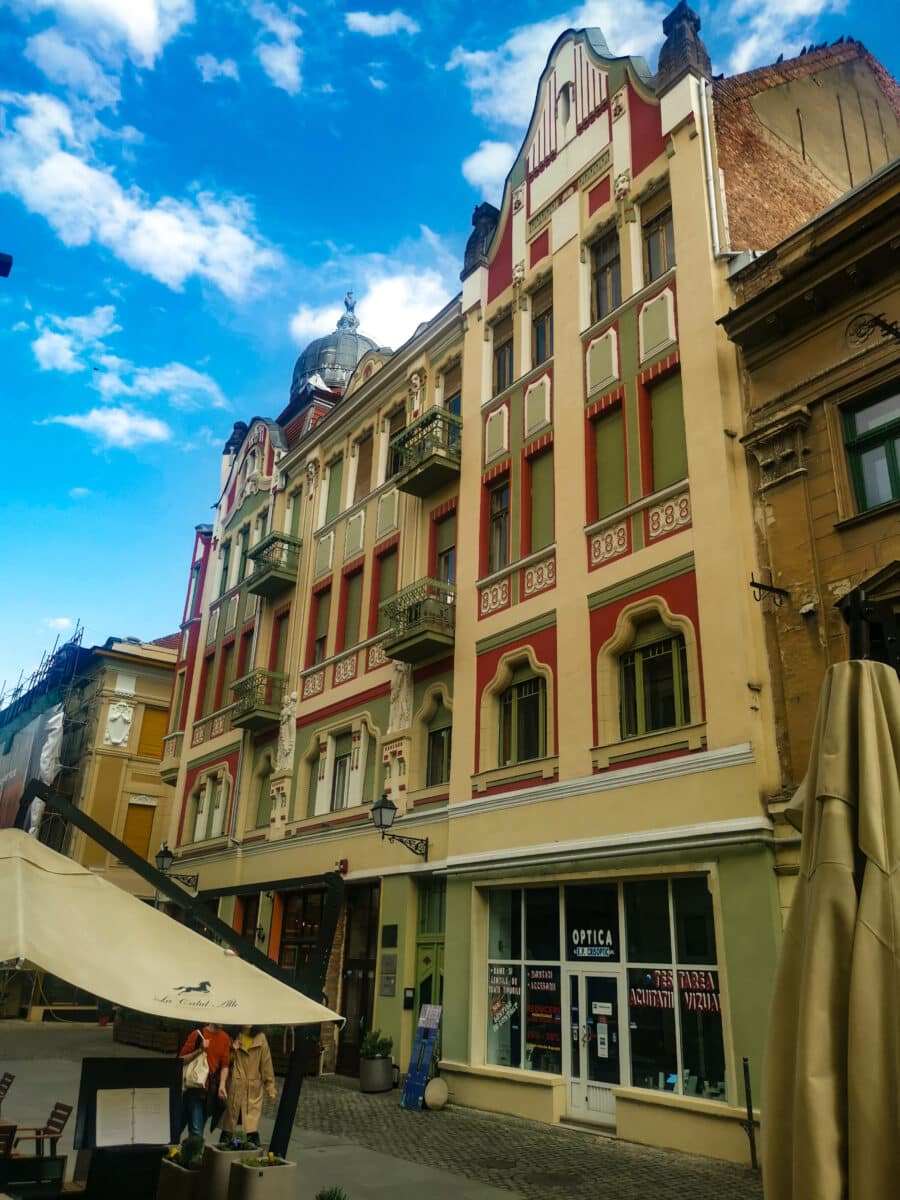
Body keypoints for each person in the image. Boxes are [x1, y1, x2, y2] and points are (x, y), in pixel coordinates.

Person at [219, 1026, 276, 1146]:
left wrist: (270, 1086)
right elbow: (225, 1063)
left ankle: (253, 1153)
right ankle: (223, 1152)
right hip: (235, 1086)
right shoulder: (232, 1037)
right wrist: (232, 1050)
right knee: (229, 1124)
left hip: (252, 1089)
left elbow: (266, 1063)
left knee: (251, 1126)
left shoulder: (261, 1038)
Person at [178, 1022, 231, 1138]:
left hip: (209, 1093)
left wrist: (222, 1085)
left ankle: (183, 1153)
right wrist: (200, 1050)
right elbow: (181, 1060)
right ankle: (189, 1153)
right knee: (196, 1132)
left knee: (181, 1126)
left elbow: (225, 1066)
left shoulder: (225, 1038)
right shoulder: (197, 1034)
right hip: (194, 1088)